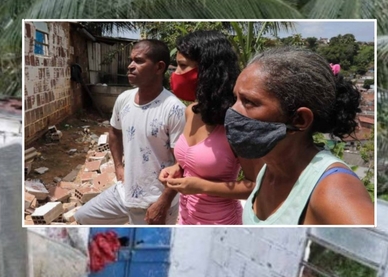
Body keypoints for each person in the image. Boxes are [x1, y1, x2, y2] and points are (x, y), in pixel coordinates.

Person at [225, 47, 374, 225]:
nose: (232, 111)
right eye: (236, 98)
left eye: (248, 102)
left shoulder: (332, 189)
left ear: (300, 120)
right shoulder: (270, 166)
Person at [74, 39, 185, 225]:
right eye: (131, 60)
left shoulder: (174, 109)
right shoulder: (124, 99)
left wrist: (163, 203)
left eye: (139, 61)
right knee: (83, 218)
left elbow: (182, 164)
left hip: (154, 201)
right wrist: (118, 166)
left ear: (159, 67)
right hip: (123, 193)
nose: (130, 66)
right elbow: (115, 132)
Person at [158, 31, 257, 225]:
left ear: (208, 70)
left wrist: (202, 187)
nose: (175, 73)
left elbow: (254, 186)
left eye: (182, 66)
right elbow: (192, 162)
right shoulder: (191, 112)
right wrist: (176, 168)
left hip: (220, 223)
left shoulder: (236, 122)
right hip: (186, 218)